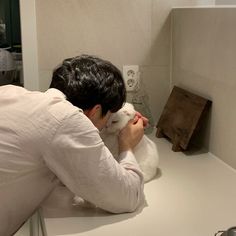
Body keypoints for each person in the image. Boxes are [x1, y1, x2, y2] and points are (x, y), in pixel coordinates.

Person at [0, 55, 147, 236]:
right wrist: (127, 145)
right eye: (108, 118)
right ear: (96, 111)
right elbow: (127, 197)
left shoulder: (10, 92)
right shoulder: (67, 119)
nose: (106, 126)